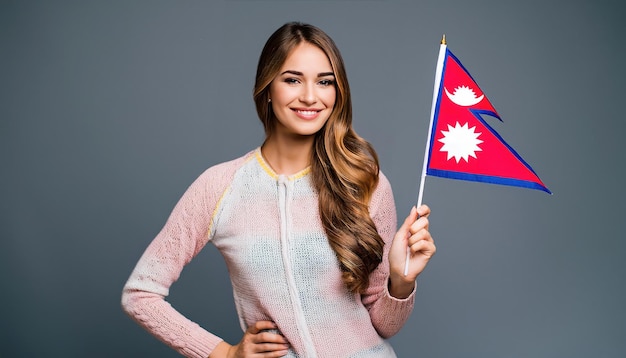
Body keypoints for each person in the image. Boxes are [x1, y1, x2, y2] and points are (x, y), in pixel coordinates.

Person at [121, 21, 436, 358]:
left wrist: (401, 283)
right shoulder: (220, 186)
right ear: (267, 88)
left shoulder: (364, 182)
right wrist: (223, 354)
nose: (310, 96)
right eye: (292, 80)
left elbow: (384, 325)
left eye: (324, 82)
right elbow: (140, 294)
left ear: (338, 92)